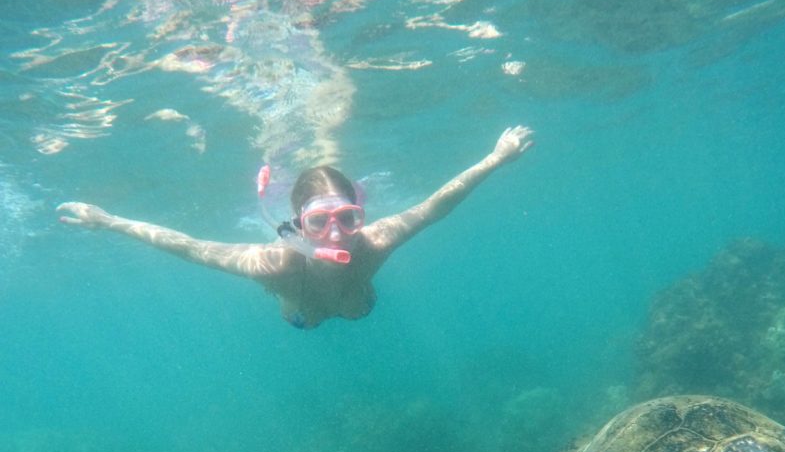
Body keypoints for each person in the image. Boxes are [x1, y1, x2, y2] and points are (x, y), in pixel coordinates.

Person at [59, 126, 533, 328]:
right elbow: (189, 246)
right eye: (319, 222)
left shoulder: (376, 241)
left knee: (359, 309)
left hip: (357, 301)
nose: (337, 234)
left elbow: (434, 207)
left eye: (348, 218)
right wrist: (109, 221)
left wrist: (497, 158)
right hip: (301, 312)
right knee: (303, 317)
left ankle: (346, 291)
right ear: (299, 225)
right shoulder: (274, 265)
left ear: (360, 216)